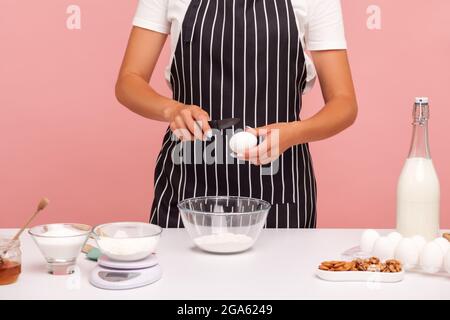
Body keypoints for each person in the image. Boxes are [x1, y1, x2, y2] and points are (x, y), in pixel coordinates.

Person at [115, 0, 358, 228]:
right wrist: (173, 110)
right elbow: (129, 81)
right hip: (187, 185)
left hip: (280, 188)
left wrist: (295, 133)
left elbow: (344, 103)